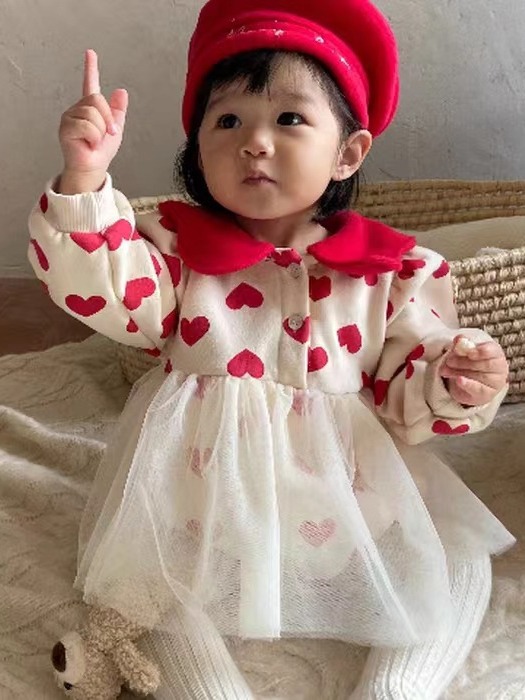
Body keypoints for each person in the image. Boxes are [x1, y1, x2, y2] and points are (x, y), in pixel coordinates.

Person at [28, 0, 514, 697]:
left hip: (346, 498)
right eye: (227, 121)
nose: (254, 141)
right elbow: (101, 287)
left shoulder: (391, 271)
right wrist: (84, 181)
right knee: (150, 581)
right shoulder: (177, 253)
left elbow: (408, 391)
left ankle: (397, 689)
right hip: (203, 499)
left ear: (348, 152)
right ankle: (211, 687)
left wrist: (456, 376)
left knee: (454, 554)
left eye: (288, 118)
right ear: (198, 150)